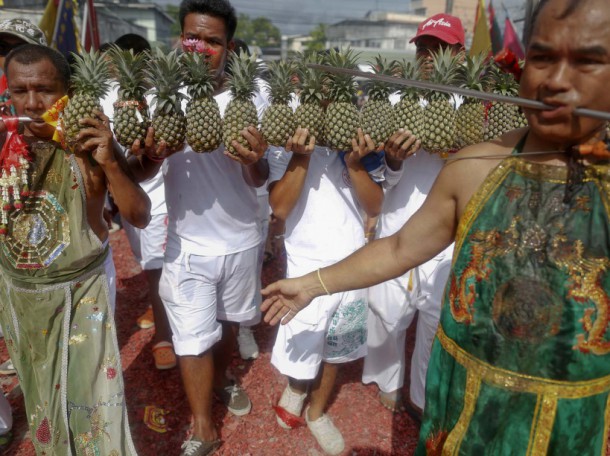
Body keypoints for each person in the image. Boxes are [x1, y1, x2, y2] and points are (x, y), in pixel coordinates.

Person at [261, 0, 610, 453]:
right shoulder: (475, 165)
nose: (558, 81)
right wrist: (311, 284)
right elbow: (400, 246)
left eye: (589, 60)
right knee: (391, 320)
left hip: (575, 421)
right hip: (464, 407)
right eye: (542, 57)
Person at [131, 1, 270, 454]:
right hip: (187, 243)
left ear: (229, 47)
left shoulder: (254, 99)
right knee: (191, 336)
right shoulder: (161, 100)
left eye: (213, 41)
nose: (202, 48)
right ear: (180, 41)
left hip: (244, 237)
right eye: (194, 38)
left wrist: (255, 162)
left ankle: (223, 377)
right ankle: (203, 427)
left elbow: (263, 176)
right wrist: (153, 156)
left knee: (228, 326)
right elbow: (141, 174)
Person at [0, 44, 150, 455]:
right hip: (18, 297)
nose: (31, 103)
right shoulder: (4, 140)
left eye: (45, 90)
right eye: (19, 91)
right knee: (41, 401)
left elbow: (139, 215)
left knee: (93, 408)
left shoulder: (87, 140)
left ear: (67, 89)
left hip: (81, 294)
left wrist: (111, 163)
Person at [362, 13, 464, 419]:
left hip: (448, 234)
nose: (428, 57)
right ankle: (388, 378)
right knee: (386, 314)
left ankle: (420, 395)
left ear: (457, 54)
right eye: (423, 48)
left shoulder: (475, 103)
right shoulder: (395, 98)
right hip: (399, 224)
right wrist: (393, 159)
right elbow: (378, 175)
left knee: (436, 324)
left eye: (437, 49)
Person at [268, 124, 384, 455]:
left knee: (337, 343)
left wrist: (353, 163)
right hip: (305, 258)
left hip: (351, 260)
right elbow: (279, 208)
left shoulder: (359, 136)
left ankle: (317, 412)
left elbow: (375, 206)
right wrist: (300, 156)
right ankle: (296, 385)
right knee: (303, 334)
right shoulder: (286, 135)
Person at [101, 34, 177, 371]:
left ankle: (165, 335)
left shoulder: (162, 96)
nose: (118, 71)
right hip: (129, 194)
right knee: (150, 265)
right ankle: (165, 313)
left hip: (160, 196)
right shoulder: (110, 100)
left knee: (158, 269)